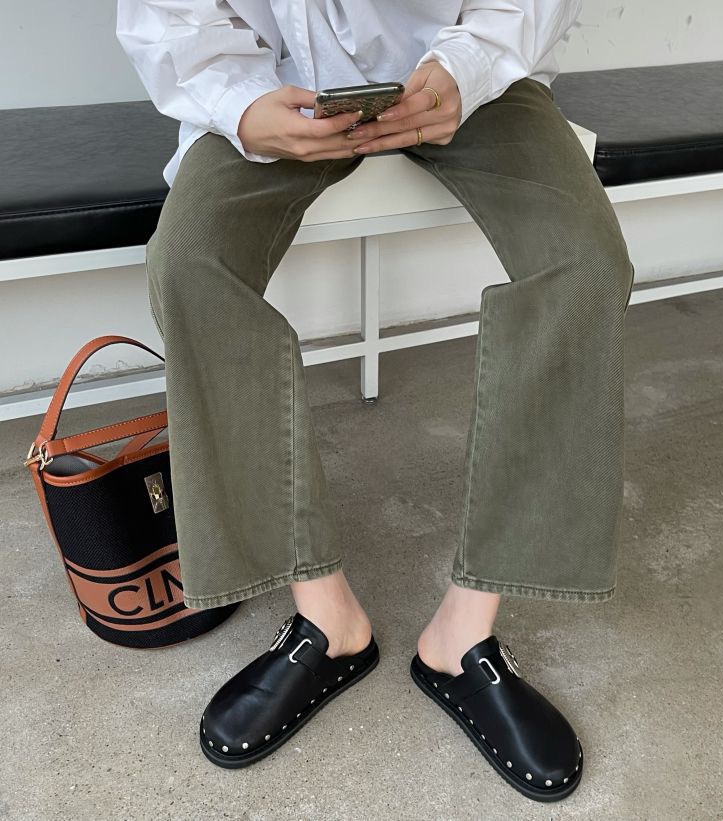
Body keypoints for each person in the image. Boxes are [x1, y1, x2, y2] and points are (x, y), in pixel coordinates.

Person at [117, 0, 634, 802]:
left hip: (469, 81)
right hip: (282, 84)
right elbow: (168, 13)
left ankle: (462, 634)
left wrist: (464, 68)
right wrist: (241, 106)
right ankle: (327, 620)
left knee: (585, 264)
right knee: (188, 265)